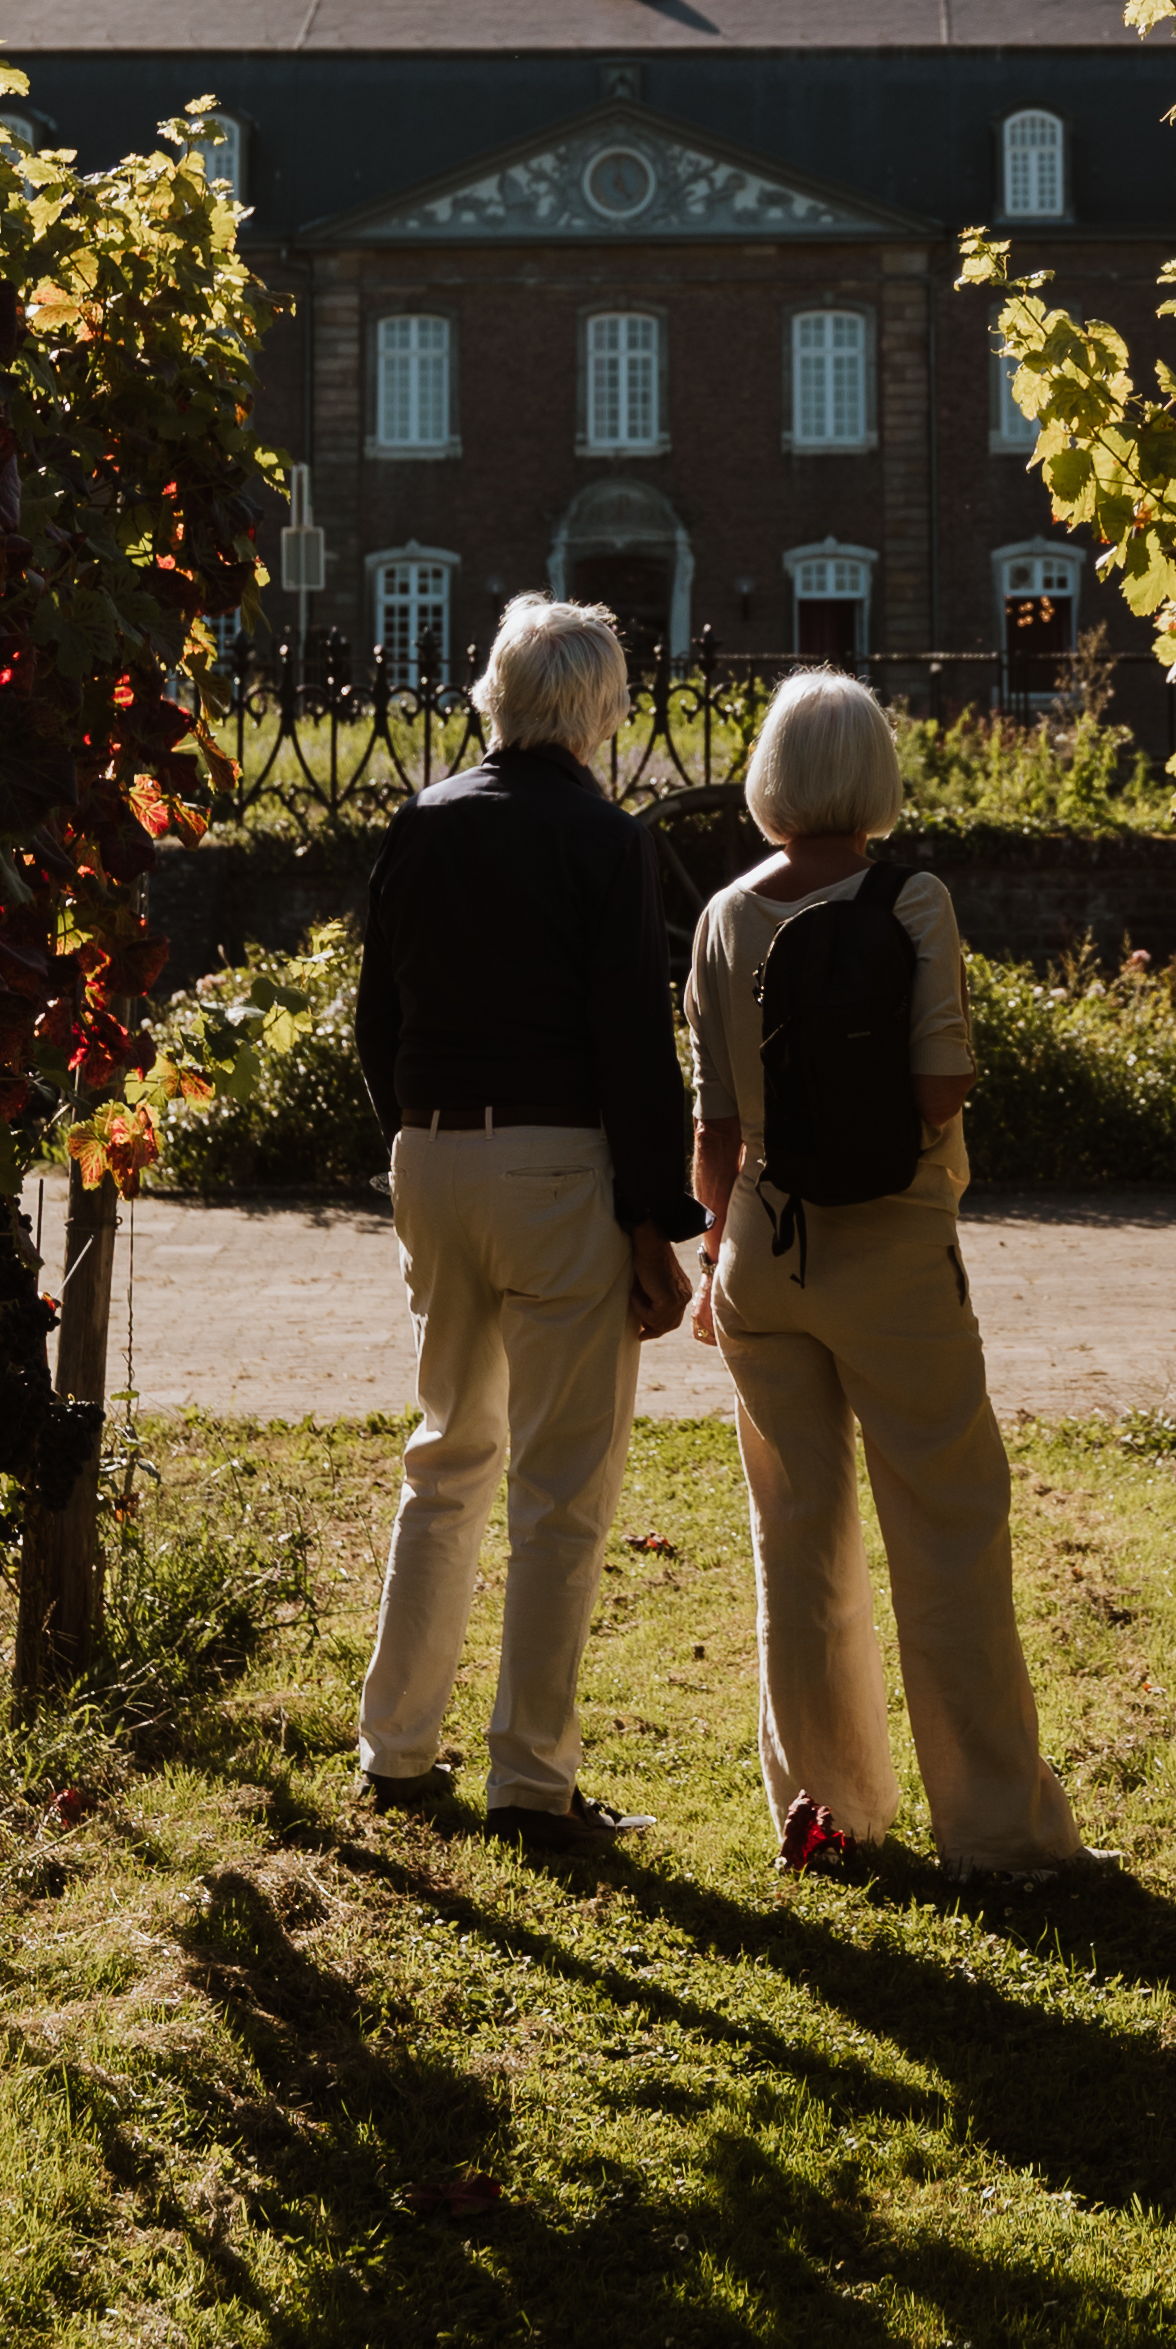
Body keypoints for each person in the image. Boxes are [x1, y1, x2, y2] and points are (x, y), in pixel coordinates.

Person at [684, 668, 1081, 1875]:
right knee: (950, 1529)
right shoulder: (914, 901)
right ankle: (998, 1830)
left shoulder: (723, 914)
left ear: (768, 777)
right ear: (874, 776)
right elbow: (941, 1085)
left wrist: (716, 1249)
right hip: (898, 1252)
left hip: (765, 1248)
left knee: (796, 1540)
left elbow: (710, 1131)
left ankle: (830, 1815)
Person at [351, 594, 697, 1867]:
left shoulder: (423, 824)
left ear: (499, 694)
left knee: (447, 1453)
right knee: (560, 1487)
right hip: (557, 1161)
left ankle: (395, 1747)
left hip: (434, 1149)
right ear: (598, 708)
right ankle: (530, 1779)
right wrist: (657, 1220)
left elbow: (374, 1017)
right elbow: (631, 1044)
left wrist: (418, 1133)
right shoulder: (605, 843)